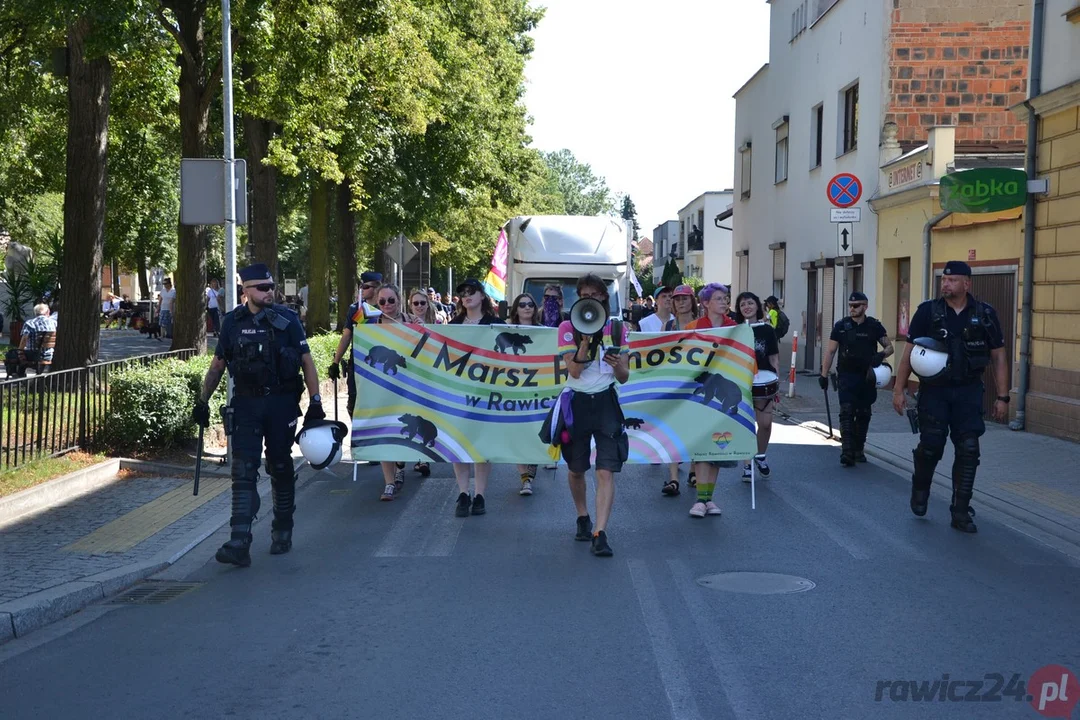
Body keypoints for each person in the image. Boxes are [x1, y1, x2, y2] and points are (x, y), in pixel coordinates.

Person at [192, 263, 324, 566]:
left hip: (281, 404)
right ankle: (239, 541)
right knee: (243, 470)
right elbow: (217, 366)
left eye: (271, 286)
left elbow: (307, 361)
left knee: (279, 466)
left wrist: (315, 403)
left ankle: (282, 529)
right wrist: (202, 401)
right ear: (245, 291)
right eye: (262, 287)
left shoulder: (288, 320)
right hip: (246, 405)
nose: (269, 291)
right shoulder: (231, 323)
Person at [891, 261, 1008, 533]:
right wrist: (898, 389)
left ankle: (960, 511)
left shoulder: (985, 314)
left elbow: (999, 356)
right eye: (944, 280)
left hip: (968, 391)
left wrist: (1003, 397)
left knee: (968, 450)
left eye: (952, 280)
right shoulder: (928, 312)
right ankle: (920, 488)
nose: (945, 284)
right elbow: (909, 352)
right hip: (935, 392)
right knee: (931, 446)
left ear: (967, 283)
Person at [558, 273, 630, 557]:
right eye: (585, 294)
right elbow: (573, 371)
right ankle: (582, 516)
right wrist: (585, 342)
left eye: (596, 294)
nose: (591, 299)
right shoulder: (567, 326)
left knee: (605, 469)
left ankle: (600, 532)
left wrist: (616, 365)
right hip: (576, 403)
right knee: (576, 469)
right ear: (579, 297)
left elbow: (624, 377)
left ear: (604, 297)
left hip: (605, 403)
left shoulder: (617, 328)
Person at [449, 278, 505, 515]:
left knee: (482, 442)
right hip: (458, 391)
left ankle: (480, 494)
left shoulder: (496, 324)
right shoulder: (453, 324)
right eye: (463, 293)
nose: (466, 296)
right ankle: (463, 493)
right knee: (458, 441)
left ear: (482, 296)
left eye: (471, 292)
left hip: (486, 391)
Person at [820, 292, 894, 466]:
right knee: (846, 411)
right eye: (850, 306)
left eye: (856, 305)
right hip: (846, 375)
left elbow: (890, 347)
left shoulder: (874, 326)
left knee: (863, 414)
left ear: (865, 306)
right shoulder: (841, 326)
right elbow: (830, 351)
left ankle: (858, 449)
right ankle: (846, 451)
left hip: (867, 376)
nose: (852, 309)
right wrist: (823, 374)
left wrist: (880, 355)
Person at [684, 284, 738, 516]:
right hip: (701, 396)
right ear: (705, 303)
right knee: (702, 448)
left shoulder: (735, 328)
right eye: (718, 298)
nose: (724, 302)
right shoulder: (693, 328)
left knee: (718, 448)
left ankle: (709, 499)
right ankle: (699, 499)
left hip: (725, 392)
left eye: (726, 298)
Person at [735, 291, 779, 480]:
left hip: (764, 382)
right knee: (746, 425)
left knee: (765, 424)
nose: (747, 307)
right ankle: (747, 465)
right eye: (743, 304)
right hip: (742, 381)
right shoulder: (735, 330)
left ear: (757, 306)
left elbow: (774, 357)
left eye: (750, 303)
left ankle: (760, 455)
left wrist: (776, 382)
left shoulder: (767, 329)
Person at [329, 271, 382, 418]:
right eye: (361, 286)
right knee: (354, 403)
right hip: (358, 362)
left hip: (380, 363)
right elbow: (347, 336)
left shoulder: (386, 308)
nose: (361, 290)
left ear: (376, 288)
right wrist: (335, 362)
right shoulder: (356, 309)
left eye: (365, 287)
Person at [508, 292, 542, 495]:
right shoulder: (506, 330)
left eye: (530, 304)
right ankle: (525, 479)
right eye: (522, 305)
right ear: (516, 309)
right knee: (517, 432)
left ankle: (534, 461)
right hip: (513, 389)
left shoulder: (544, 332)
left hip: (538, 389)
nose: (527, 307)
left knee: (535, 431)